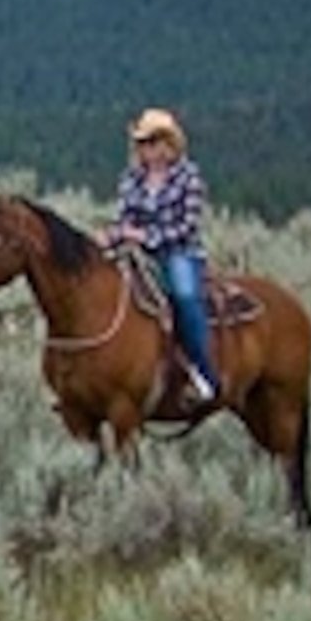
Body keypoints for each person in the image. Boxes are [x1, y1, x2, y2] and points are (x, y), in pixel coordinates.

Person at [109, 105, 220, 407]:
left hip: (180, 252)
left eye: (154, 142)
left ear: (170, 144)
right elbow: (123, 215)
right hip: (136, 251)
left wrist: (147, 236)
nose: (148, 150)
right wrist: (117, 234)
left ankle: (204, 374)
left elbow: (187, 225)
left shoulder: (189, 177)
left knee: (184, 296)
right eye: (143, 143)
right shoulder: (132, 178)